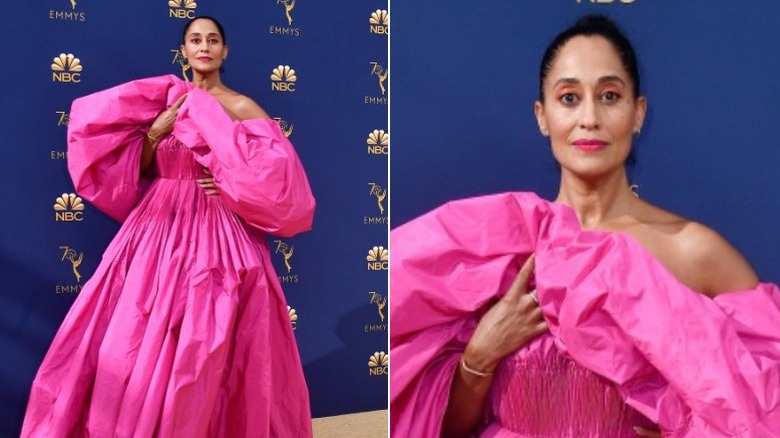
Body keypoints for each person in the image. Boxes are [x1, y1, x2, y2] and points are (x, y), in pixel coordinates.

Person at [390, 15, 780, 437]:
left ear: (638, 113)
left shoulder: (695, 253)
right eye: (569, 98)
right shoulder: (496, 250)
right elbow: (444, 431)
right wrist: (480, 356)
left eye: (610, 96)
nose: (589, 117)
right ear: (542, 116)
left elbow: (760, 412)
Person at [22, 16, 315, 437]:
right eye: (195, 40)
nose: (204, 47)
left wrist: (231, 182)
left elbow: (277, 179)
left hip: (219, 230)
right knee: (134, 336)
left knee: (209, 338)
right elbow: (138, 171)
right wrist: (154, 135)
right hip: (157, 225)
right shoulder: (163, 102)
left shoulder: (243, 107)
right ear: (184, 50)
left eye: (213, 40)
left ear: (224, 51)